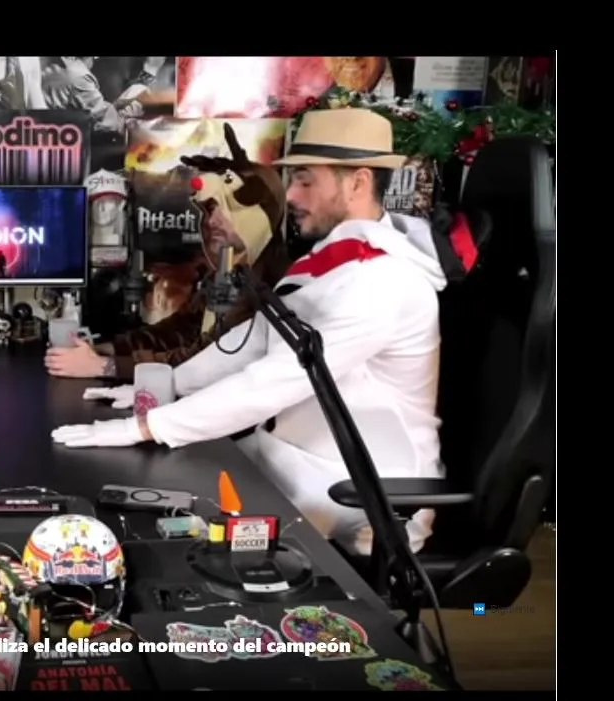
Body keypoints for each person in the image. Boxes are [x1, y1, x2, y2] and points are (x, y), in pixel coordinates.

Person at [52, 108, 449, 555]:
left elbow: (277, 379)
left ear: (357, 183)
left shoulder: (384, 282)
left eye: (305, 181)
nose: (291, 195)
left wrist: (147, 426)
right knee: (154, 490)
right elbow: (254, 342)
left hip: (363, 491)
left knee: (176, 533)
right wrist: (168, 387)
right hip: (292, 462)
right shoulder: (328, 262)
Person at [45, 123, 290, 382]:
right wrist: (106, 349)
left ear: (258, 215)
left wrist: (106, 366)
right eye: (210, 210)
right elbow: (179, 331)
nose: (212, 221)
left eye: (226, 209)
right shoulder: (226, 273)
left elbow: (202, 360)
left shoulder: (271, 287)